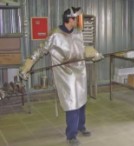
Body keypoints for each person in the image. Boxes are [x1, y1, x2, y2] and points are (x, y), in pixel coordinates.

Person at [19, 7, 103, 146]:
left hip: (80, 71)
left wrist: (94, 54)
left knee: (81, 100)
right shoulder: (55, 35)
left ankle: (81, 126)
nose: (78, 21)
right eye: (76, 18)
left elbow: (82, 49)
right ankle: (71, 135)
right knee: (72, 103)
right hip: (65, 74)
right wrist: (27, 66)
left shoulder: (78, 33)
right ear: (70, 19)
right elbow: (40, 51)